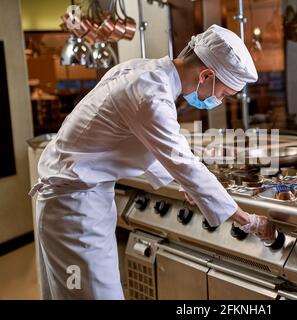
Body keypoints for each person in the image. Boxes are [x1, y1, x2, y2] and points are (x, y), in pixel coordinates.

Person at [29, 24, 275, 300]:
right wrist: (248, 221)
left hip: (79, 198)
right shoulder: (150, 95)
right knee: (88, 294)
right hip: (73, 210)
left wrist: (183, 183)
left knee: (74, 293)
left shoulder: (142, 70)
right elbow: (184, 162)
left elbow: (141, 141)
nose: (219, 100)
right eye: (223, 94)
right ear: (206, 75)